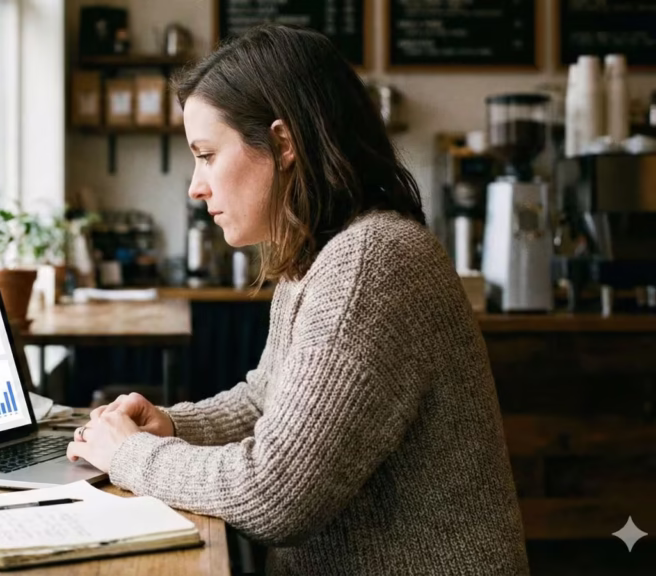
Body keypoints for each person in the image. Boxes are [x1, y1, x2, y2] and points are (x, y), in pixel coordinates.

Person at [66, 24, 529, 575]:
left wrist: (130, 455)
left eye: (207, 155)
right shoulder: (320, 253)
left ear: (283, 144)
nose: (195, 186)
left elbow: (275, 495)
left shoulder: (369, 262)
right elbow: (266, 401)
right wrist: (171, 425)